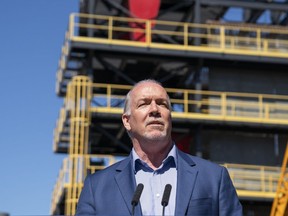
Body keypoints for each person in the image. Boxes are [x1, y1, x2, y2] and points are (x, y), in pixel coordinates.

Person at [76, 79, 243, 216]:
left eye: (162, 104)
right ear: (127, 121)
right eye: (144, 104)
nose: (154, 109)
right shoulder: (96, 187)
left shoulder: (214, 178)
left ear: (170, 117)